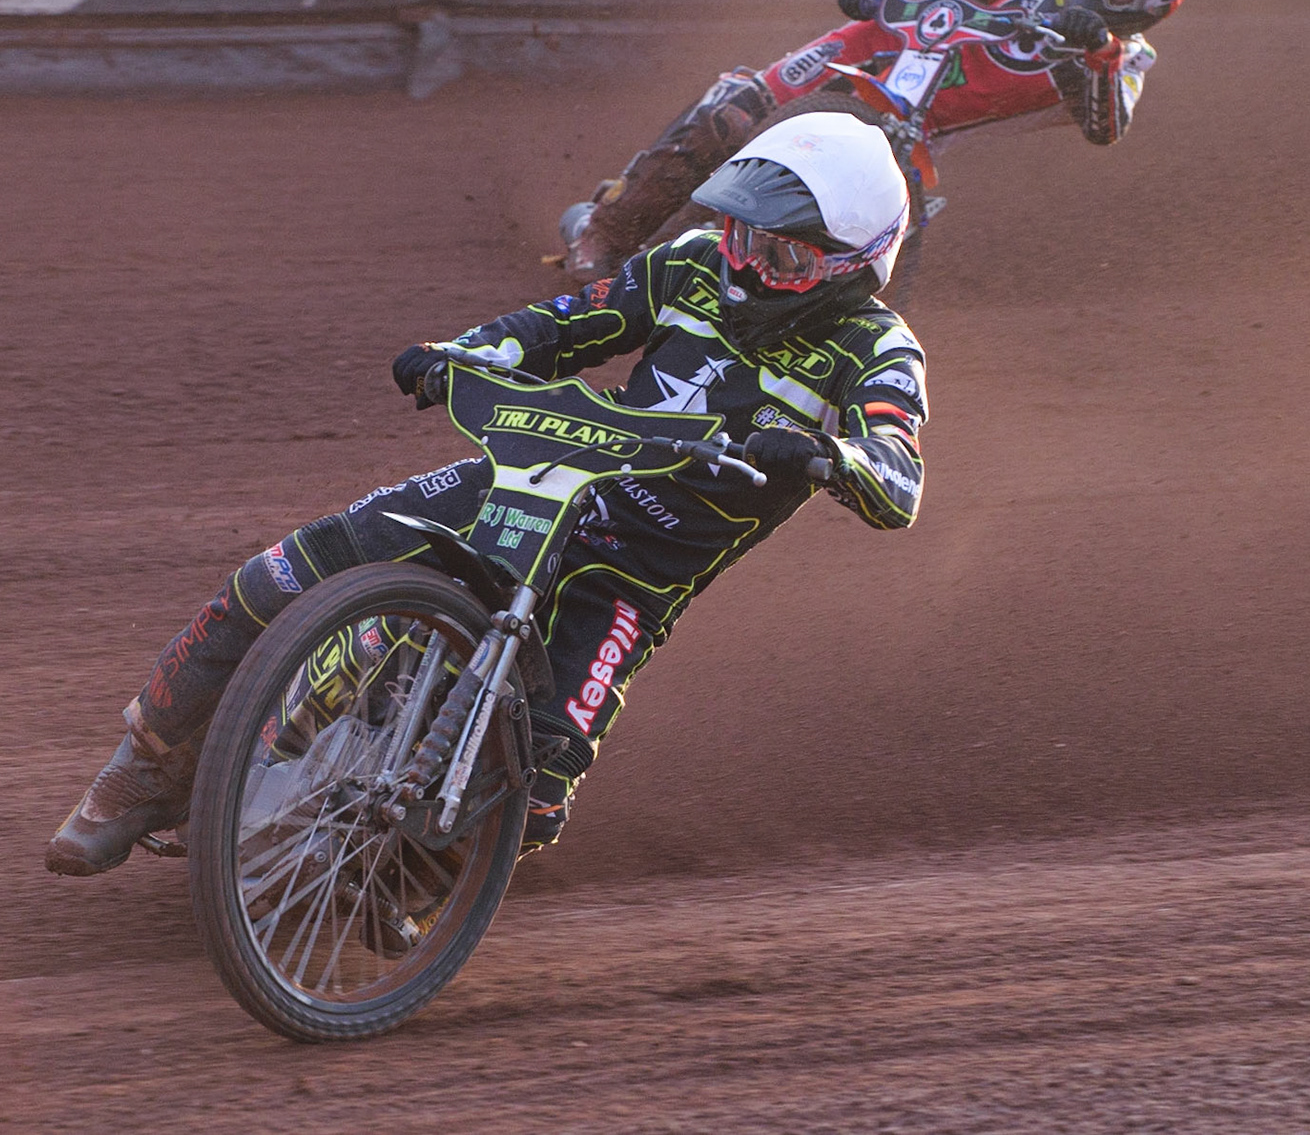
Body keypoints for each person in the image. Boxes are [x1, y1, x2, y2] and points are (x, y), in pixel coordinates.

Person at [46, 111, 929, 877]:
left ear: (855, 264)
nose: (742, 263)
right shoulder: (691, 263)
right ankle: (140, 769)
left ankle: (405, 884)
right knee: (280, 573)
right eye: (739, 232)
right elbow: (561, 325)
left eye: (777, 251)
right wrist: (462, 353)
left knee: (537, 794)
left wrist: (824, 454)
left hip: (633, 576)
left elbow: (898, 479)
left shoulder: (879, 349)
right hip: (540, 478)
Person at [558, 0, 1199, 285]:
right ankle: (605, 230)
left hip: (909, 120)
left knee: (820, 187)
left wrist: (1093, 49)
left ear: (1151, 5)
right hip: (873, 44)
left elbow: (1105, 126)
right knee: (736, 111)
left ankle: (697, 271)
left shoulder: (1125, 59)